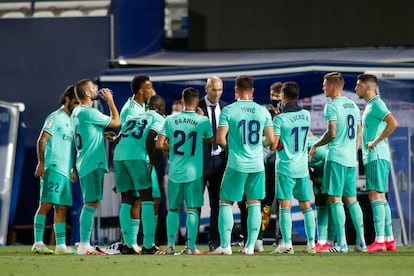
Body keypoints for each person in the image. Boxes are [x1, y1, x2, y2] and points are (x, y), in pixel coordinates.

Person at [210, 75, 275, 255]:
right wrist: (255, 146)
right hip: (257, 164)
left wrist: (235, 147)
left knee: (225, 202)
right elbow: (270, 139)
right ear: (252, 91)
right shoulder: (263, 111)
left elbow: (220, 139)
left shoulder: (229, 110)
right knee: (254, 203)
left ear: (236, 90)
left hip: (236, 164)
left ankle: (225, 246)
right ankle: (250, 246)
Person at [309, 72, 367, 253]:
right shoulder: (354, 106)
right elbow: (359, 133)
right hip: (351, 160)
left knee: (335, 199)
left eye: (325, 85)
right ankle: (362, 242)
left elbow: (331, 133)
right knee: (352, 200)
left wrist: (316, 145)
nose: (323, 88)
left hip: (335, 158)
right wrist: (352, 150)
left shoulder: (332, 106)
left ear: (333, 86)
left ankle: (341, 243)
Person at [156, 87, 214, 255]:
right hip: (194, 173)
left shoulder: (170, 119)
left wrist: (171, 146)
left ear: (181, 101)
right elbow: (210, 139)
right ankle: (190, 247)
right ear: (197, 102)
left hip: (174, 172)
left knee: (172, 210)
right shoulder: (202, 121)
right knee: (193, 209)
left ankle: (170, 247)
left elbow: (160, 145)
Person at [71, 79, 120, 255]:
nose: (96, 90)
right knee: (90, 204)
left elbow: (82, 133)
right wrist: (110, 101)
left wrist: (100, 135)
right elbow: (116, 122)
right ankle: (84, 244)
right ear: (86, 94)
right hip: (92, 162)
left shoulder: (76, 112)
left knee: (90, 203)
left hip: (84, 161)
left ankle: (85, 243)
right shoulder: (89, 112)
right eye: (93, 88)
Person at [114, 94, 166, 254]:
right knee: (147, 198)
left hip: (119, 154)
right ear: (161, 108)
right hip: (137, 155)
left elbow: (118, 138)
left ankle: (128, 245)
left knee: (126, 199)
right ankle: (149, 245)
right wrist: (150, 159)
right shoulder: (158, 117)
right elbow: (151, 136)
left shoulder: (134, 117)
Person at [32, 85, 80, 254]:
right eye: (75, 102)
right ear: (66, 100)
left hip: (65, 170)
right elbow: (42, 140)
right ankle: (38, 242)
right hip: (53, 167)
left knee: (62, 208)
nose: (77, 106)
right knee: (46, 204)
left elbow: (70, 147)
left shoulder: (73, 120)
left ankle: (61, 246)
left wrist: (73, 168)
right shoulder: (55, 117)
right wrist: (41, 163)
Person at [270, 81, 316, 254]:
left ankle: (287, 244)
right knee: (306, 205)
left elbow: (274, 145)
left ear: (284, 96)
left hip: (285, 167)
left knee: (285, 205)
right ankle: (311, 243)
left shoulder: (279, 119)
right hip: (302, 167)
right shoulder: (306, 115)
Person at [355, 73, 398, 252]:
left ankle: (379, 240)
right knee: (381, 197)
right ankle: (389, 240)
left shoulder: (377, 104)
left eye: (358, 85)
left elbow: (393, 123)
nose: (356, 88)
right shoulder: (372, 105)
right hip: (379, 156)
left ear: (368, 87)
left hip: (376, 156)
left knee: (374, 195)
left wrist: (375, 141)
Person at [198, 76, 228, 252]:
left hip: (220, 161)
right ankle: (191, 244)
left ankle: (214, 243)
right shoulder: (195, 107)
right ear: (206, 89)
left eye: (220, 90)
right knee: (195, 204)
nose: (217, 93)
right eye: (214, 90)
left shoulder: (226, 108)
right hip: (200, 162)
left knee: (217, 204)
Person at [256, 81, 283, 252]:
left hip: (281, 162)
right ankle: (259, 235)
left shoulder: (289, 114)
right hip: (265, 161)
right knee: (264, 200)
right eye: (272, 94)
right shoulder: (264, 112)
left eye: (277, 95)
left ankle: (280, 238)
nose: (274, 98)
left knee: (281, 200)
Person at [307, 133, 336, 252]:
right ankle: (327, 241)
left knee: (325, 208)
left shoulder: (314, 149)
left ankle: (324, 241)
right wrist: (315, 180)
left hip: (328, 175)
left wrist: (322, 183)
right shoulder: (313, 143)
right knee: (328, 208)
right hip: (324, 175)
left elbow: (328, 161)